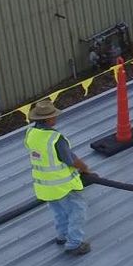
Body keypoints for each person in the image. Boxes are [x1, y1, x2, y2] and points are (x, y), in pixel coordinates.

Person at [25, 98, 96, 255]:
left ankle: (62, 236)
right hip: (62, 186)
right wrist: (85, 168)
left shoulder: (31, 133)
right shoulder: (55, 139)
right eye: (54, 116)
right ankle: (74, 243)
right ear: (48, 119)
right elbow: (70, 159)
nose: (56, 118)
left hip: (45, 187)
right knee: (77, 210)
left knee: (59, 212)